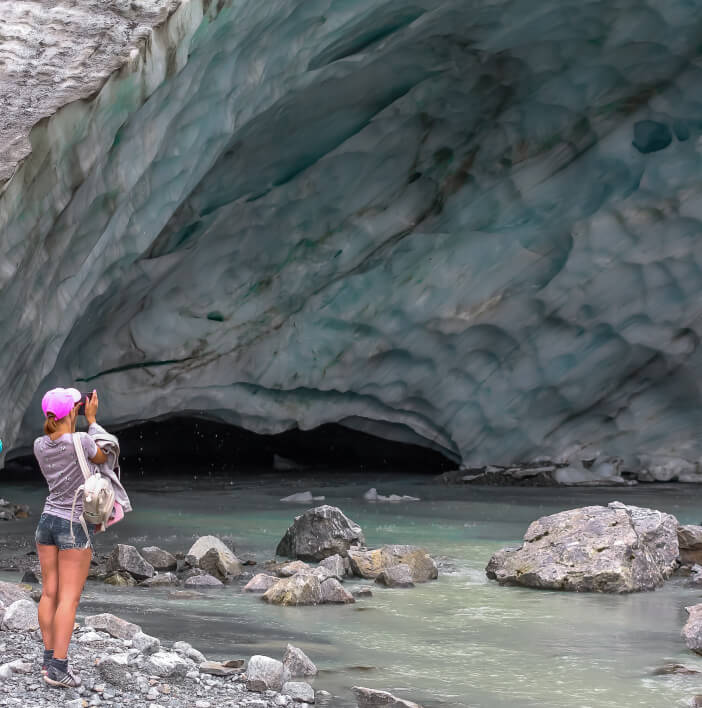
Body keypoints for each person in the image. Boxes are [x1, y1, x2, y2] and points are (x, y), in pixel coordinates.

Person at [33, 387, 107, 689]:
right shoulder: (82, 440)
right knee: (68, 599)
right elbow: (105, 455)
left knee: (49, 593)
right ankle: (59, 668)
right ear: (73, 411)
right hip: (73, 524)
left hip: (46, 522)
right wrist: (92, 419)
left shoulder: (39, 444)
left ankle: (48, 659)